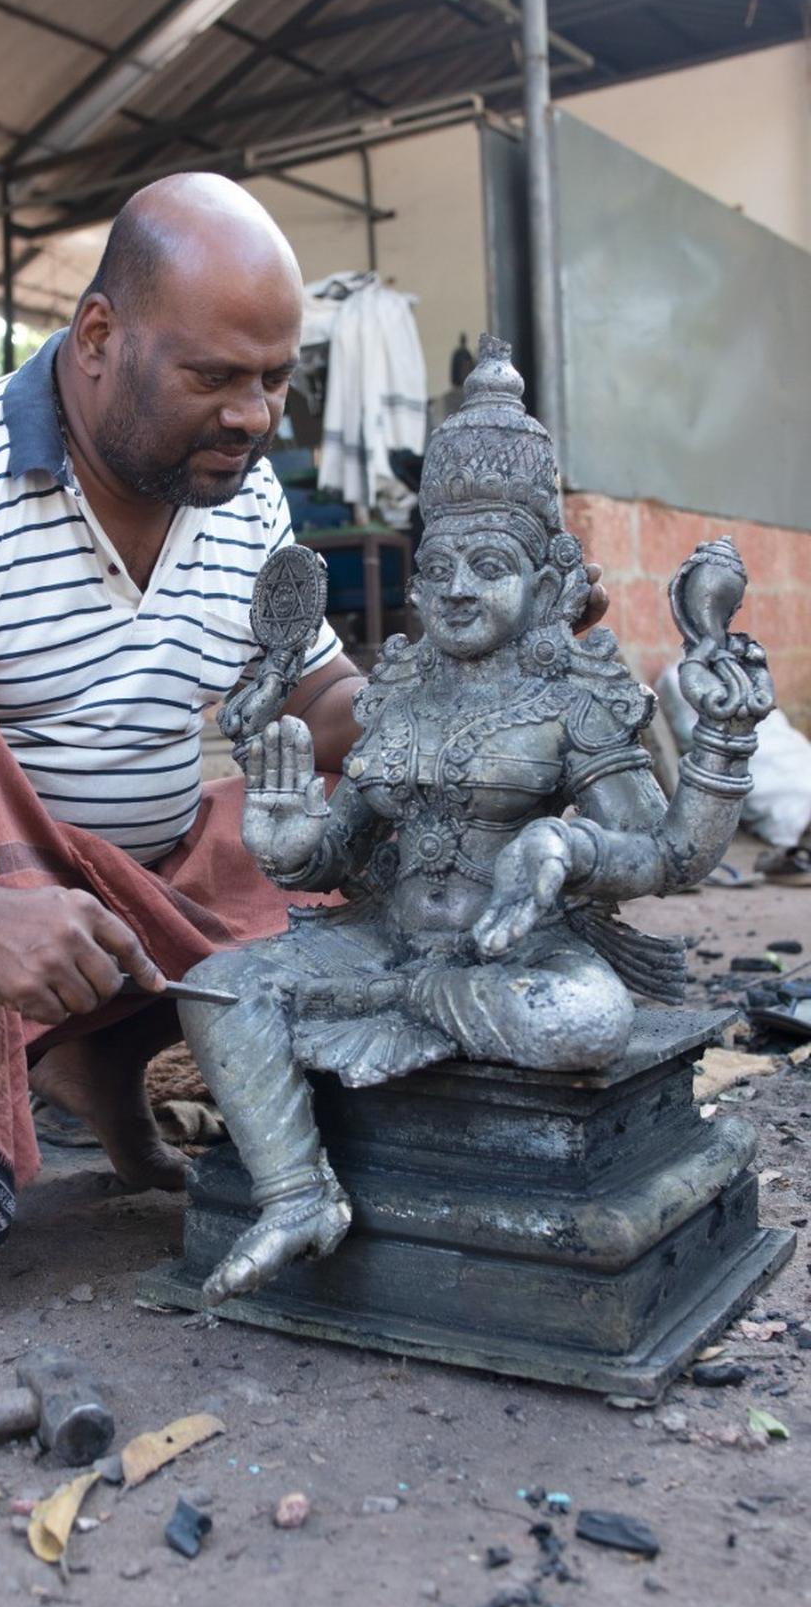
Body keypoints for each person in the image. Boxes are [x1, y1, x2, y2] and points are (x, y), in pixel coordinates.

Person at [0, 175, 605, 1352]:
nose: (253, 415)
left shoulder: (237, 505)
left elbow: (328, 706)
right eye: (213, 377)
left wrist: (477, 665)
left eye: (275, 379)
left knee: (370, 803)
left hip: (145, 897)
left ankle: (110, 1069)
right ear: (97, 338)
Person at [177, 339, 772, 1308]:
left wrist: (569, 842)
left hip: (517, 957)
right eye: (439, 564)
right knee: (213, 987)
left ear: (546, 585)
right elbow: (341, 852)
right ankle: (296, 1193)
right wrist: (289, 835)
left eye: (488, 564)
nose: (457, 586)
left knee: (587, 1019)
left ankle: (388, 1013)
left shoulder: (570, 699)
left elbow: (674, 854)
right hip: (391, 933)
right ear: (415, 582)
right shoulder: (398, 693)